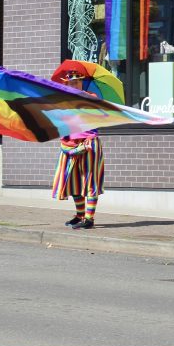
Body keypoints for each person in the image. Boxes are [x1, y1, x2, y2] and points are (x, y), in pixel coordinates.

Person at [50, 68, 105, 230]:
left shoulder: (91, 97)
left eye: (77, 81)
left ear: (81, 82)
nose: (74, 84)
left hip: (89, 143)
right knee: (72, 182)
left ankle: (89, 218)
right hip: (70, 143)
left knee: (90, 180)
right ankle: (80, 215)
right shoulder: (63, 102)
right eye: (71, 82)